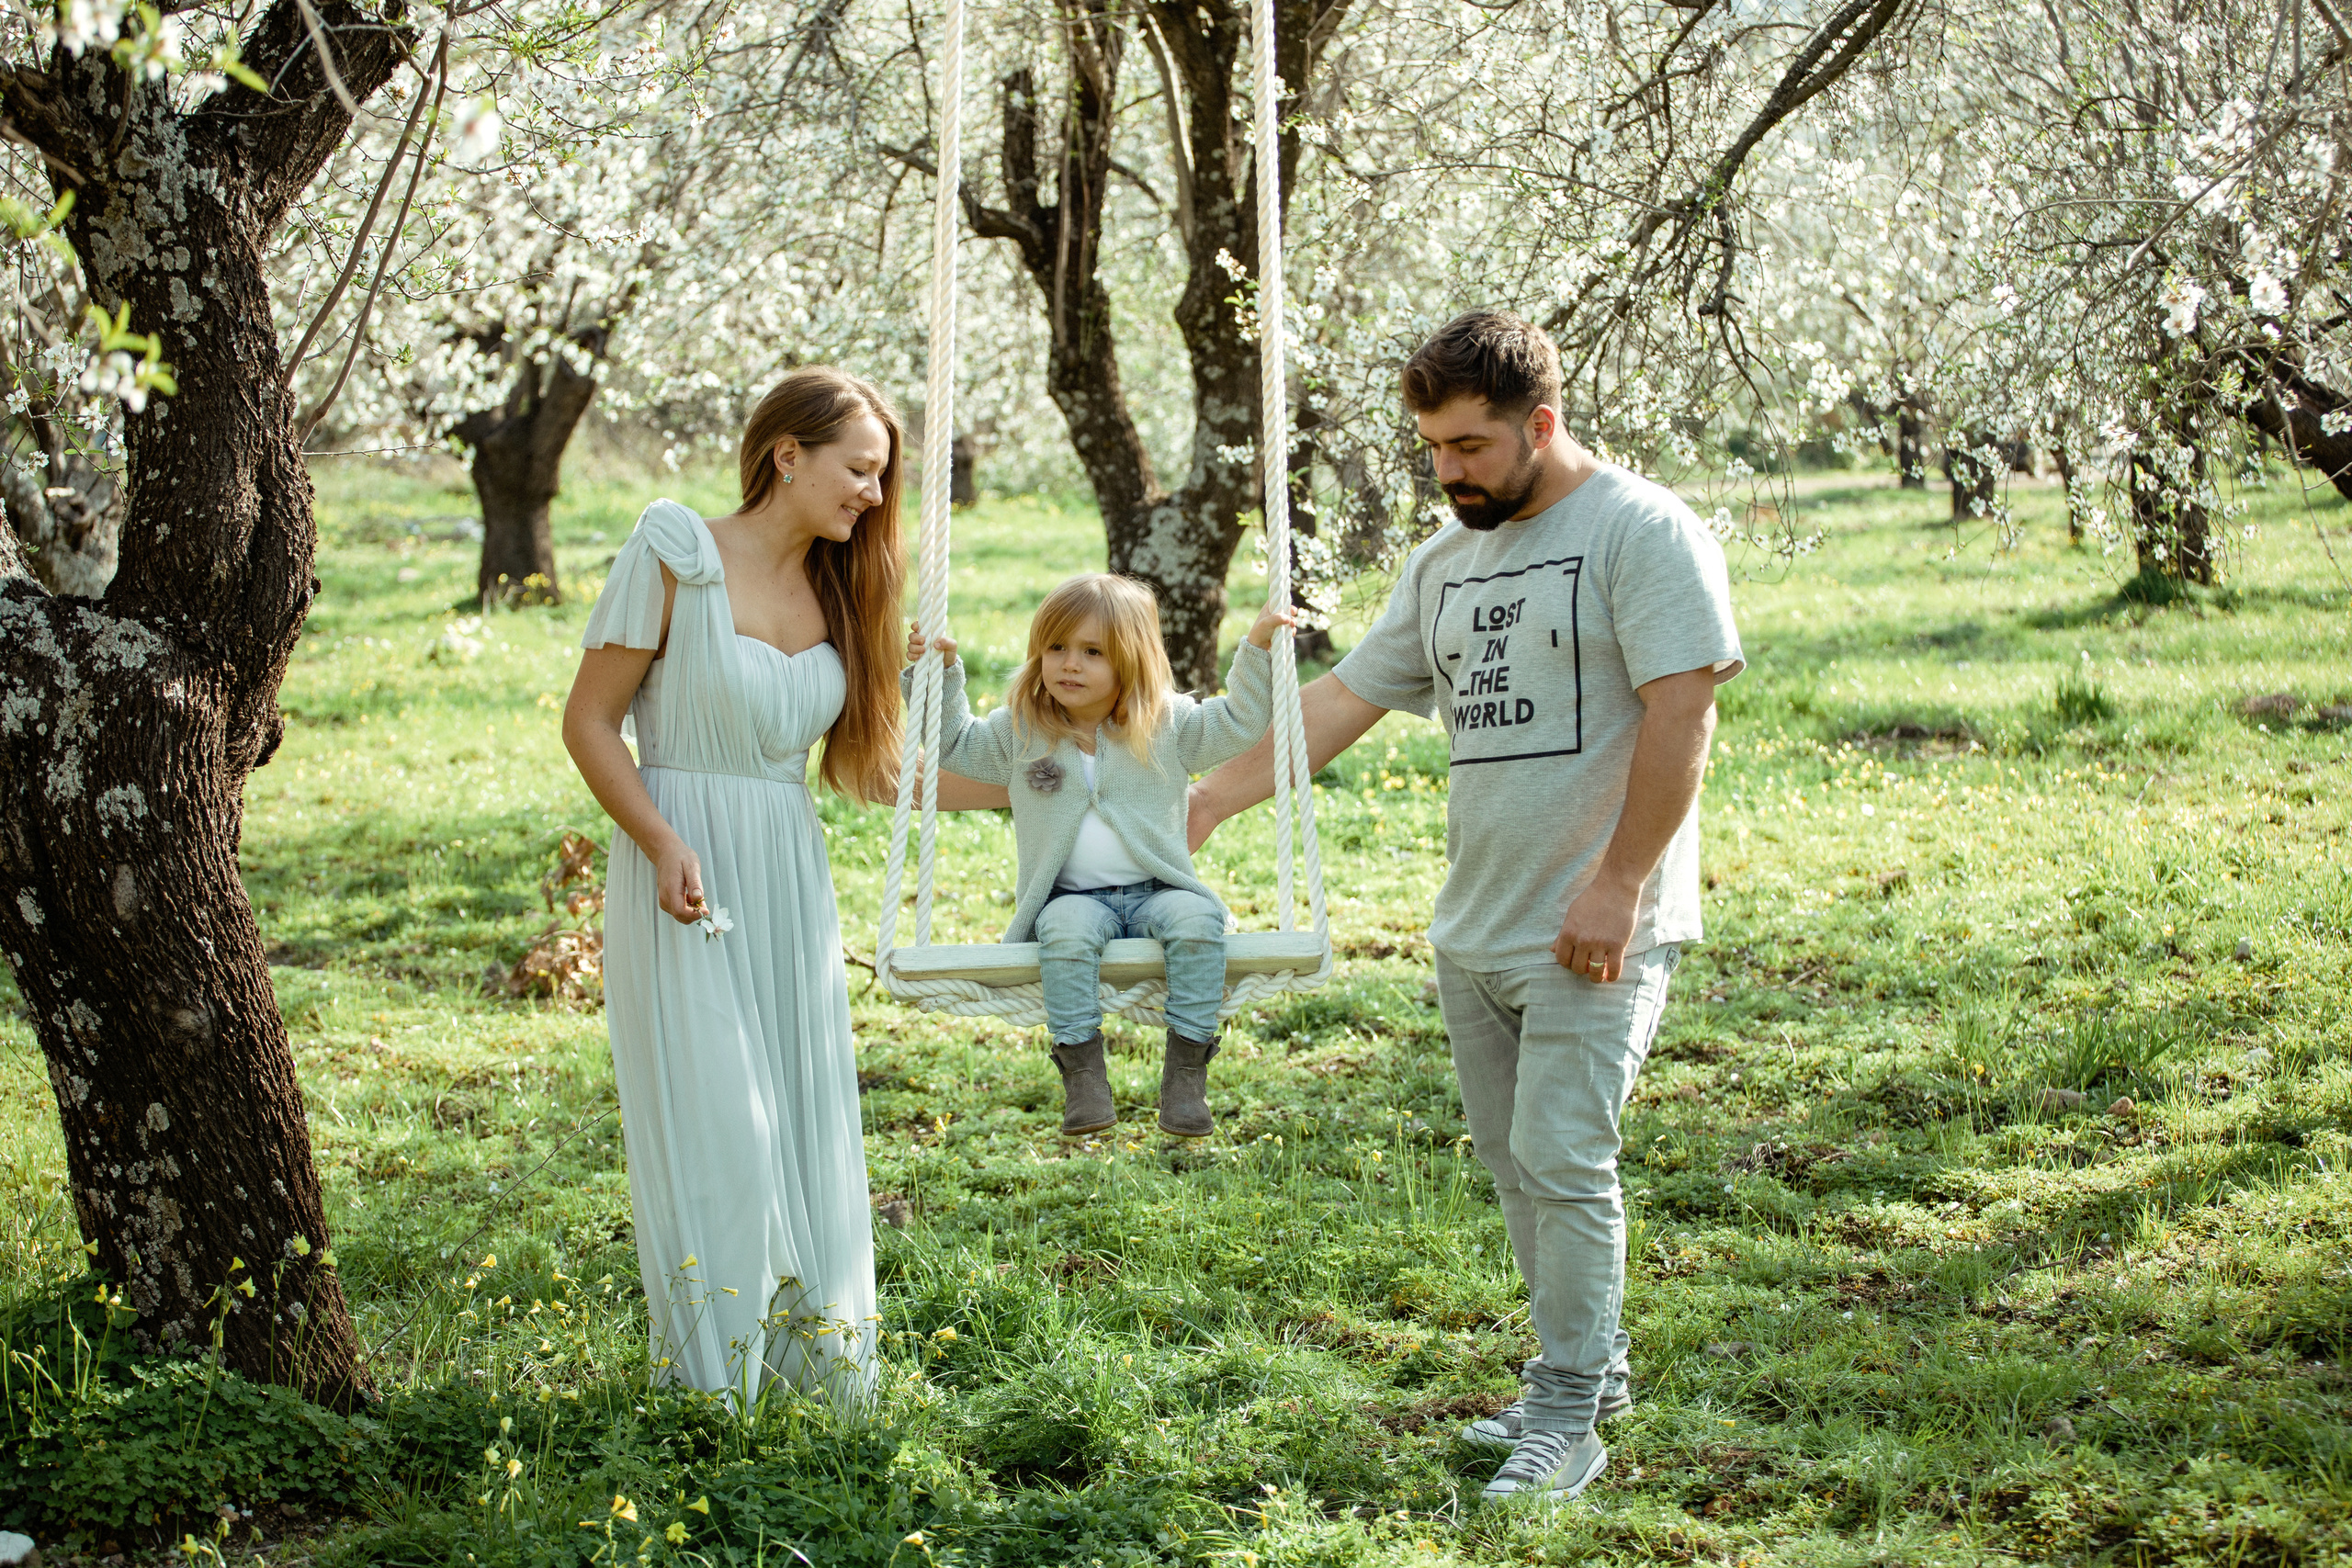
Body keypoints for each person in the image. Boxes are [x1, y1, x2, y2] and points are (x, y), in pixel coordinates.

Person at [1189, 311, 1744, 1501]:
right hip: (1475, 925)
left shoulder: (1642, 532)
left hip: (1596, 923)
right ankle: (1594, 1371)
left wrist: (1619, 882)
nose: (1449, 472)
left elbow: (1684, 711)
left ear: (1541, 424)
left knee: (1562, 1154)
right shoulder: (1446, 561)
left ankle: (1565, 1419)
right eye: (1433, 448)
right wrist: (1204, 804)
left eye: (1472, 447)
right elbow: (1342, 701)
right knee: (1513, 1162)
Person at [562, 367, 1002, 1407]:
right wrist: (661, 841)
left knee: (800, 1115)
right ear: (786, 455)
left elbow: (875, 774)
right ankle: (713, 1391)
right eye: (857, 470)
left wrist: (1052, 791)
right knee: (722, 1124)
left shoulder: (845, 594)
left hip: (787, 874)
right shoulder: (674, 549)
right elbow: (590, 722)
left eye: (880, 478)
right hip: (687, 865)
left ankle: (812, 1377)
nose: (869, 494)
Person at [906, 573, 1293, 1138]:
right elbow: (954, 743)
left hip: (1156, 889)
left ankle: (1186, 1074)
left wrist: (1256, 648)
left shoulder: (1167, 725)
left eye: (1092, 652)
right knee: (1062, 934)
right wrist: (935, 675)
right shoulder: (1021, 732)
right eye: (1056, 648)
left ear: (1131, 662)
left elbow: (1237, 722)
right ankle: (1083, 1076)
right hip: (1072, 897)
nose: (1069, 664)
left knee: (1199, 921)